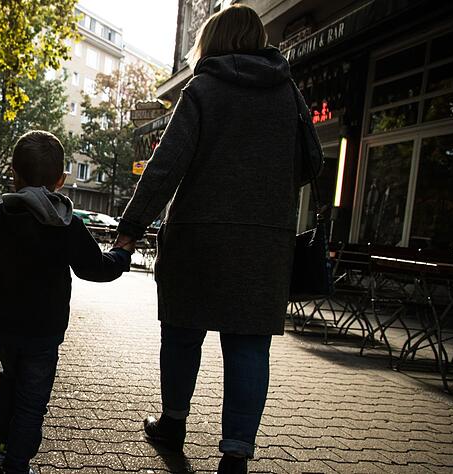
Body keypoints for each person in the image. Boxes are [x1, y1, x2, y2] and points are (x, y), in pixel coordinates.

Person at [112, 5, 322, 474]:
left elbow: (167, 165)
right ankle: (236, 453)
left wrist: (130, 230)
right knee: (249, 345)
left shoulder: (203, 88)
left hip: (198, 237)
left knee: (182, 334)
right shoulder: (288, 92)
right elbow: (313, 162)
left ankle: (173, 423)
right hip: (265, 243)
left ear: (212, 41)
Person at [0, 130, 132, 474]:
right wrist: (121, 255)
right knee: (32, 400)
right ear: (61, 180)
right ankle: (17, 464)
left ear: (14, 174)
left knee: (11, 377)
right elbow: (95, 268)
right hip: (44, 330)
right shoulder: (67, 224)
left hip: (3, 327)